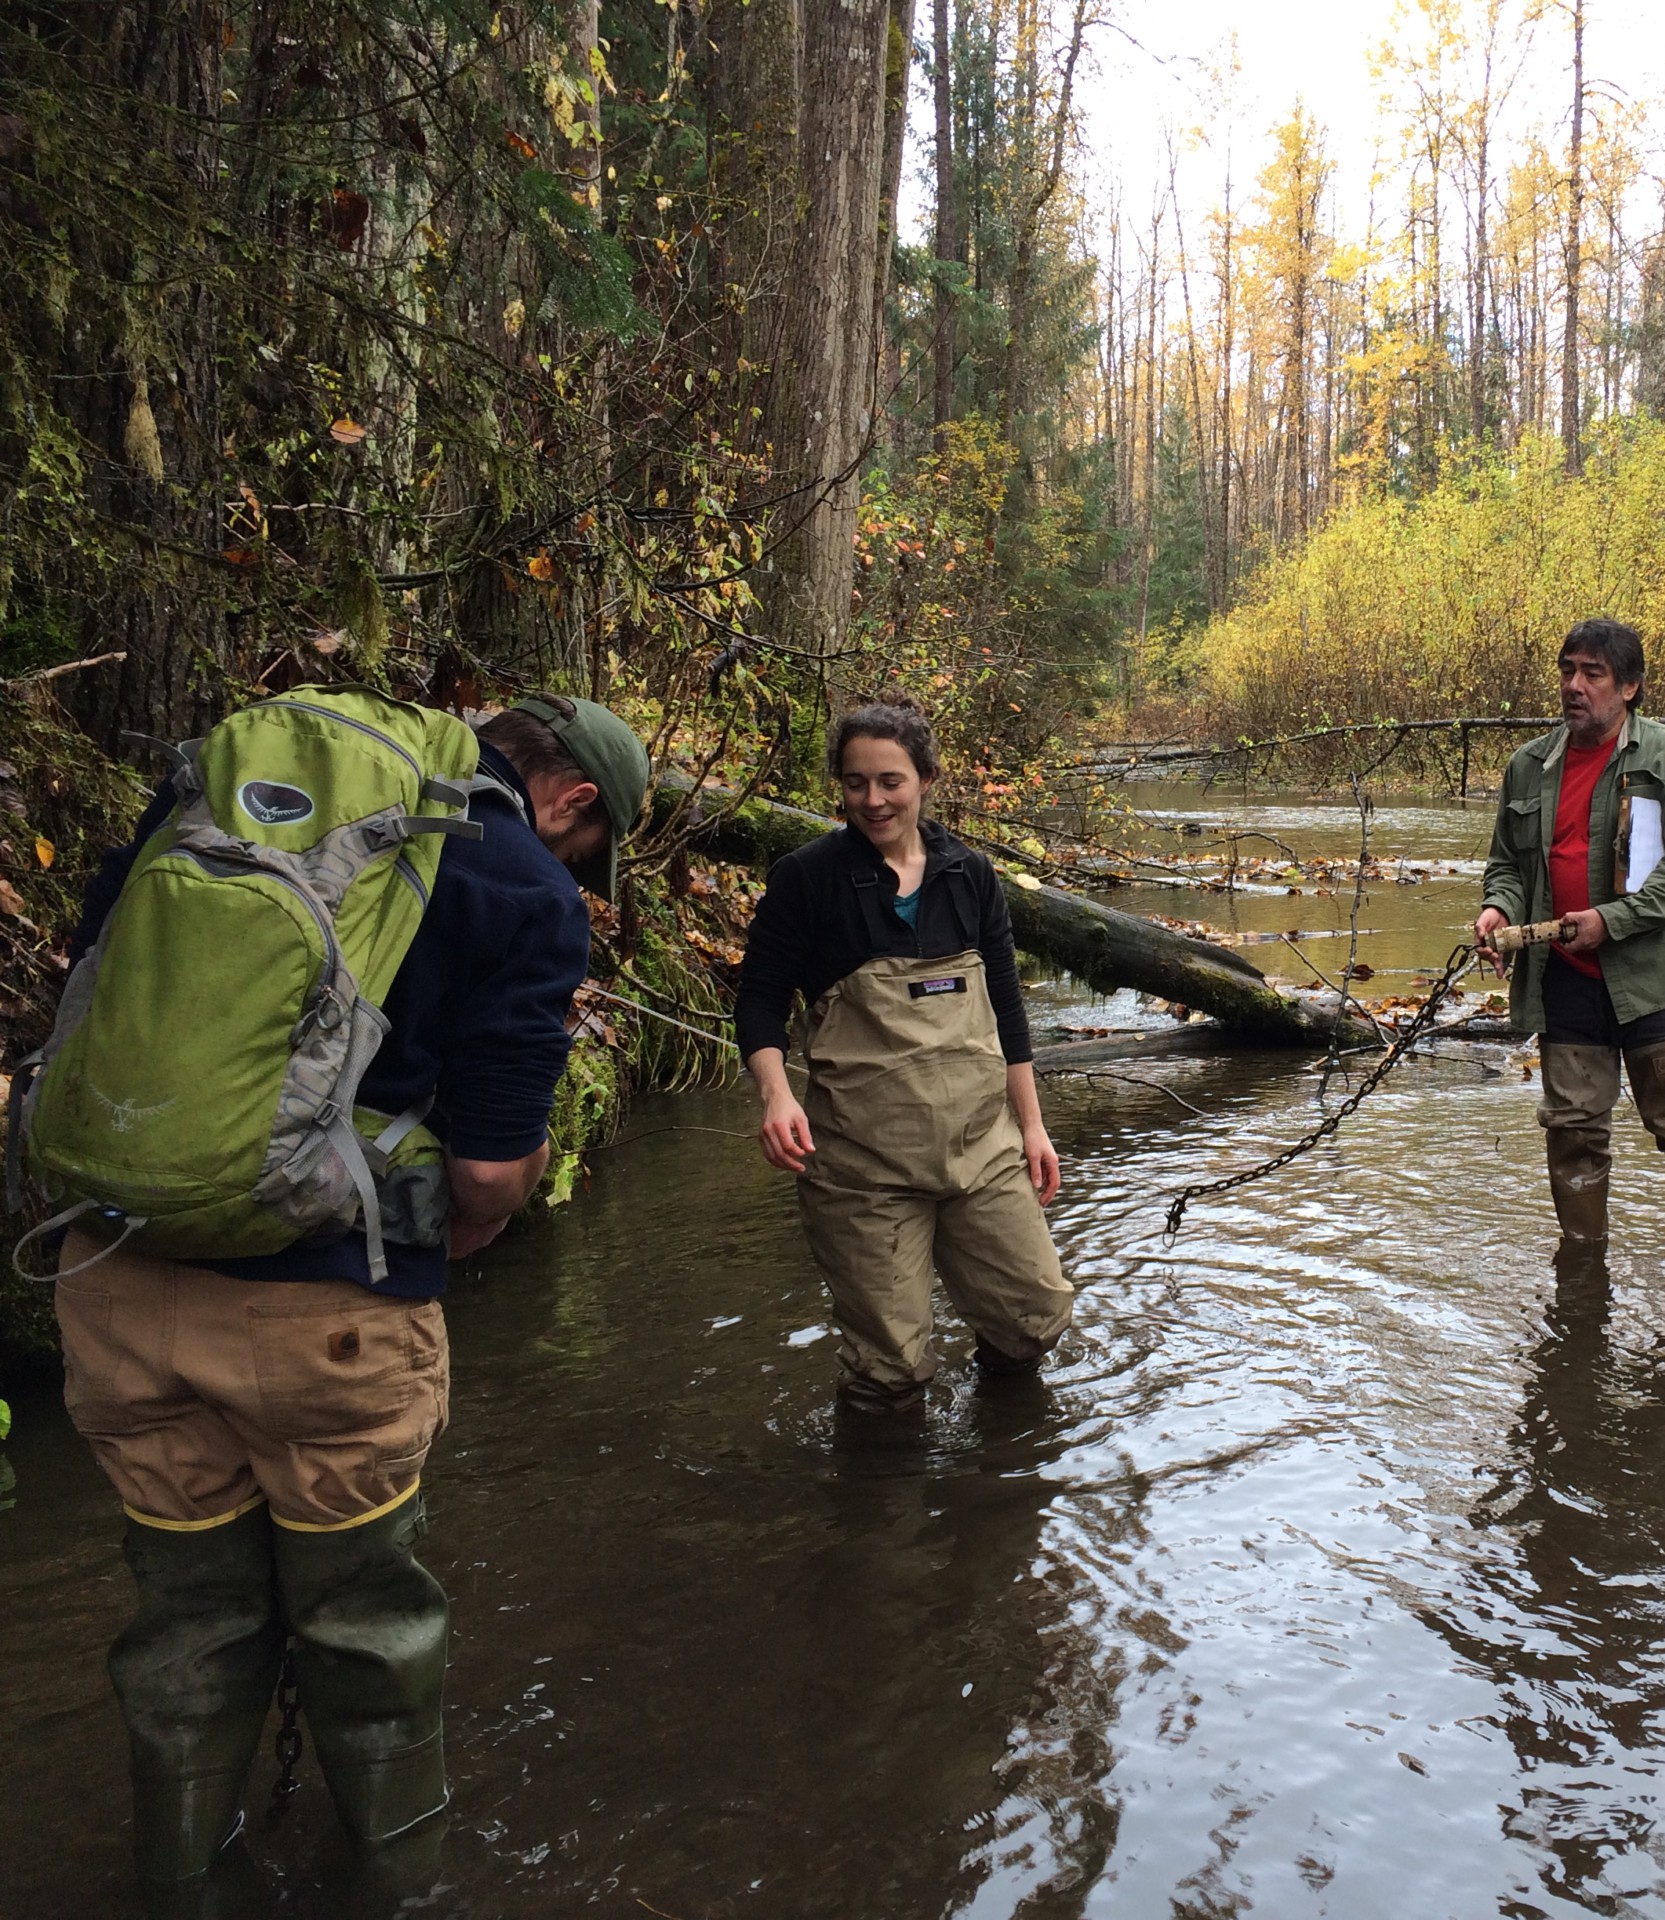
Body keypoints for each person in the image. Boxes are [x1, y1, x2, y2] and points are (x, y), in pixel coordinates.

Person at [49, 690, 649, 1904]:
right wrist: (476, 1223)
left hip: (113, 1281)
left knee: (185, 1629)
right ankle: (396, 1889)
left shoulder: (227, 799)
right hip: (325, 1315)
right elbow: (487, 1169)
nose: (574, 866)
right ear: (571, 799)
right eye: (589, 846)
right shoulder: (524, 889)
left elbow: (95, 963)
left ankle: (184, 1886)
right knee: (367, 1628)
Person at [738, 697, 1073, 1411]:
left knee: (1033, 1321)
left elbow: (1008, 1012)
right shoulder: (806, 879)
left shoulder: (972, 876)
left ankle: (1002, 1471)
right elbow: (759, 1003)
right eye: (855, 782)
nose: (873, 800)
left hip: (983, 1151)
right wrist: (775, 1093)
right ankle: (883, 1507)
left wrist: (1033, 1127)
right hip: (863, 1168)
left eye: (890, 781)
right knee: (887, 1371)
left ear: (926, 778)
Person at [1473, 618, 1665, 1250]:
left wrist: (1609, 922)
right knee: (1573, 1133)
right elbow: (1507, 863)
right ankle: (1582, 1272)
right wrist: (1498, 911)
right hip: (1565, 984)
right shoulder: (1528, 766)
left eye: (1593, 674)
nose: (1574, 685)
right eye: (1567, 670)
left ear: (1630, 688)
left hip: (1656, 982)